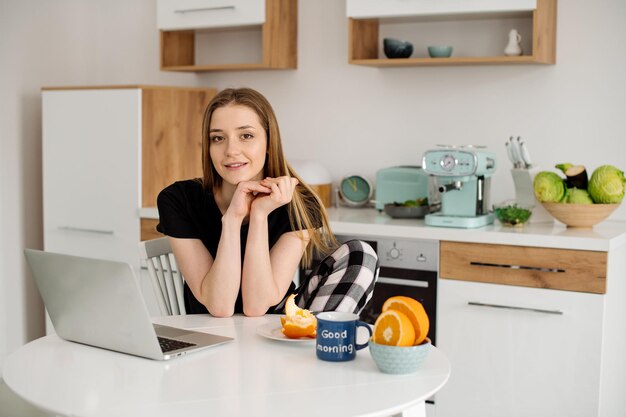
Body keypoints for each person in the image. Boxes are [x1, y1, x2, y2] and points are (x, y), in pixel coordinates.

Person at [156, 87, 378, 317]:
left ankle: (317, 342)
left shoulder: (300, 203)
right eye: (218, 138)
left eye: (246, 136)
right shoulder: (178, 199)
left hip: (277, 327)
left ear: (269, 143)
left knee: (361, 254)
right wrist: (232, 219)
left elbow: (256, 306)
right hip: (211, 330)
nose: (231, 150)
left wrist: (259, 215)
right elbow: (219, 306)